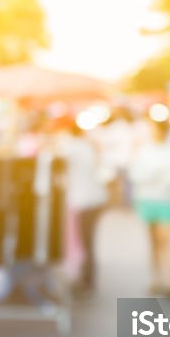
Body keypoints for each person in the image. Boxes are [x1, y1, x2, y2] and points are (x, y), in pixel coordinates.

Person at [129, 118, 170, 297]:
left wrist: (157, 176)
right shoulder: (144, 149)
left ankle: (169, 280)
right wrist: (155, 175)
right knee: (153, 241)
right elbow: (136, 173)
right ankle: (156, 278)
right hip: (147, 199)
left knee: (165, 240)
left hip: (166, 200)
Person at [60, 117, 109, 292]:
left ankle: (86, 279)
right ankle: (88, 277)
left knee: (83, 242)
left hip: (83, 201)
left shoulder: (73, 148)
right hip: (93, 199)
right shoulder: (89, 146)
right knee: (87, 241)